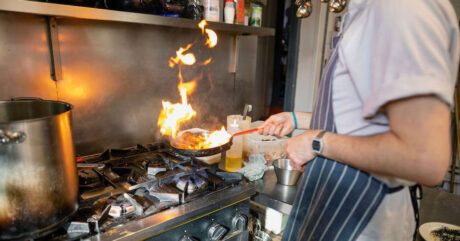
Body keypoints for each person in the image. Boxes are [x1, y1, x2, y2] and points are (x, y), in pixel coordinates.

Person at [259, 0, 460, 240]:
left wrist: (316, 142)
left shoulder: (402, 9)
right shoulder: (371, 10)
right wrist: (297, 119)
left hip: (363, 219)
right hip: (335, 209)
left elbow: (425, 159)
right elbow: (365, 122)